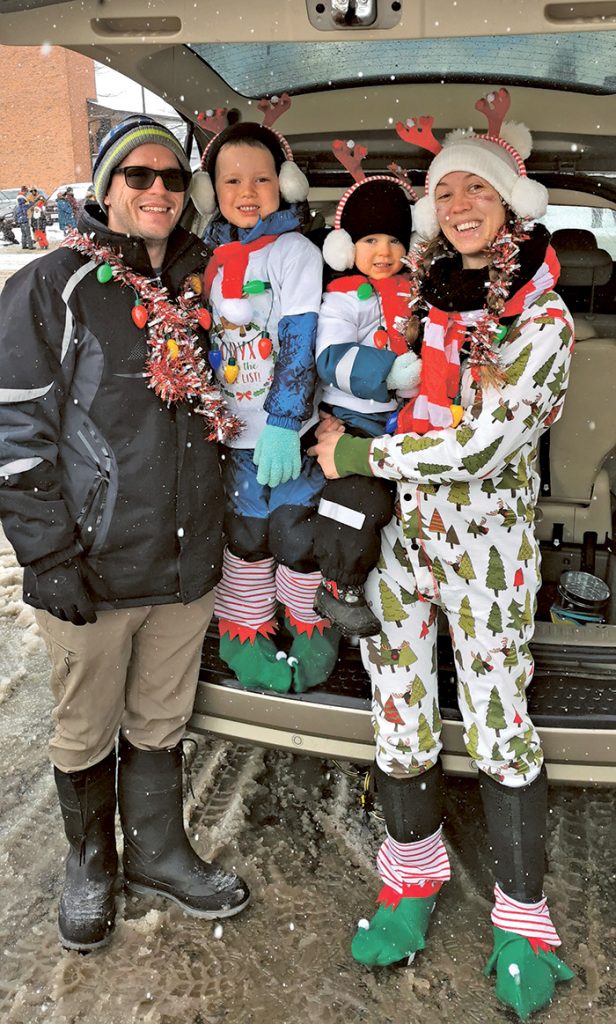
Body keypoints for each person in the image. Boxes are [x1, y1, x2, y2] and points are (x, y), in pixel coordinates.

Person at [311, 88, 575, 1020]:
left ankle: (523, 922)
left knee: (500, 722)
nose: (460, 203)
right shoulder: (424, 297)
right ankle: (411, 881)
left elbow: (482, 445)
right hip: (403, 541)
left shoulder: (542, 322)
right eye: (447, 190)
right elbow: (365, 373)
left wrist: (359, 456)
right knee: (398, 709)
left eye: (479, 189)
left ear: (511, 205)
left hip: (488, 553)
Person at [0, 115, 250, 953]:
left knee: (160, 721)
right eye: (137, 176)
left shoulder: (205, 283)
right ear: (106, 189)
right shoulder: (53, 285)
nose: (157, 191)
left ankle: (158, 851)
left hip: (185, 562)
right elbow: (13, 428)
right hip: (93, 566)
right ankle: (90, 862)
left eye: (173, 177)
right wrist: (47, 554)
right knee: (85, 725)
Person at [190, 96, 339, 694]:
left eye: (261, 179)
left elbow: (300, 337)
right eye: (232, 180)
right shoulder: (209, 257)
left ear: (285, 184)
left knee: (297, 537)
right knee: (246, 541)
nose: (247, 192)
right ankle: (245, 632)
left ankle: (311, 627)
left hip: (288, 434)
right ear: (211, 191)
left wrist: (283, 420)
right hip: (230, 436)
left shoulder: (295, 252)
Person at [313, 142, 421, 637]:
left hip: (398, 422)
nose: (384, 252)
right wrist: (391, 374)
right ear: (345, 247)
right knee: (359, 500)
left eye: (395, 241)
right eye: (370, 239)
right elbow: (331, 358)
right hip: (353, 416)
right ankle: (339, 586)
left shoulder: (415, 293)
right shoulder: (342, 298)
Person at [15, 184, 34, 249]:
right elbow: (25, 207)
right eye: (26, 191)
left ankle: (24, 245)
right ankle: (30, 246)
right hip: (24, 219)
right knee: (28, 234)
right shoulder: (21, 199)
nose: (26, 193)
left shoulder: (18, 199)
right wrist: (31, 203)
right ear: (24, 191)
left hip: (20, 219)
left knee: (23, 233)